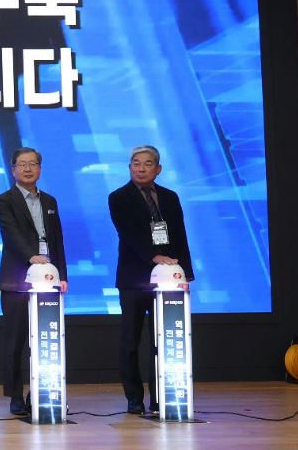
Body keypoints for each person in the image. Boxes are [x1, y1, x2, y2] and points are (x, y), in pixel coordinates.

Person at [108, 145, 194, 415]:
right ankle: (134, 399)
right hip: (134, 278)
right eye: (136, 163)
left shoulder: (169, 197)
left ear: (158, 169)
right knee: (130, 341)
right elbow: (128, 233)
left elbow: (179, 235)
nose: (141, 168)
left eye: (147, 164)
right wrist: (153, 256)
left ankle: (160, 398)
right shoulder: (118, 197)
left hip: (168, 280)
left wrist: (185, 272)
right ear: (129, 167)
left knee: (163, 341)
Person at [0, 147, 68, 416]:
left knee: (45, 340)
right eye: (22, 164)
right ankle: (15, 396)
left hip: (48, 280)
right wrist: (31, 257)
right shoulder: (4, 200)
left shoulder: (49, 201)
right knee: (16, 342)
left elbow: (56, 239)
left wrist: (62, 275)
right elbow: (11, 234)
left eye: (33, 164)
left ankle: (41, 393)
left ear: (40, 168)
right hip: (17, 281)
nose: (27, 169)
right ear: (13, 169)